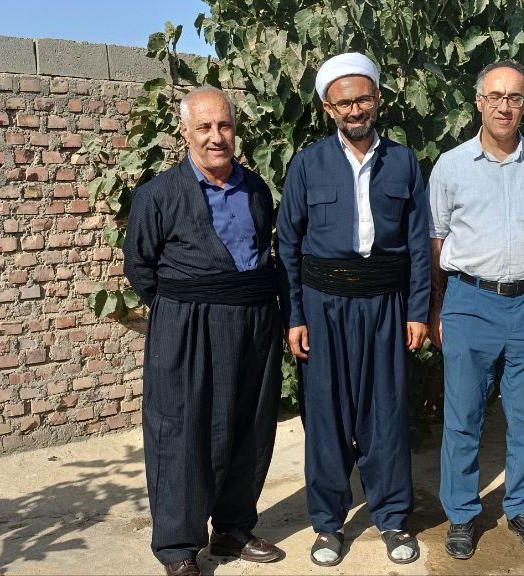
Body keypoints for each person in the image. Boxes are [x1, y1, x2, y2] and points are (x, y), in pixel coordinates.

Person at [123, 86, 285, 576]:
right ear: (186, 132)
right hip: (188, 327)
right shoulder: (157, 195)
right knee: (181, 432)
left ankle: (233, 529)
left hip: (254, 323)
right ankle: (177, 547)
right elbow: (140, 268)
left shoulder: (256, 189)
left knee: (249, 427)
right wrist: (185, 310)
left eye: (225, 125)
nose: (217, 137)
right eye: (205, 127)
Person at [276, 51, 431, 567]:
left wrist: (416, 311)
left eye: (363, 98)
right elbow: (288, 245)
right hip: (323, 307)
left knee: (386, 413)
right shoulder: (308, 164)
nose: (356, 109)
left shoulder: (403, 162)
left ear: (377, 99)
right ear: (328, 108)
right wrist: (295, 315)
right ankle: (327, 524)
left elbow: (418, 244)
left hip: (385, 305)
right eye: (344, 102)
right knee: (326, 415)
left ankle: (392, 517)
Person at [427, 60, 524, 560]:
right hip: (469, 302)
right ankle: (462, 514)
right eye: (495, 96)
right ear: (479, 103)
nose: (504, 106)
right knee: (463, 419)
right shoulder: (451, 166)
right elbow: (436, 239)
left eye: (514, 97)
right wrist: (439, 306)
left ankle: (522, 508)